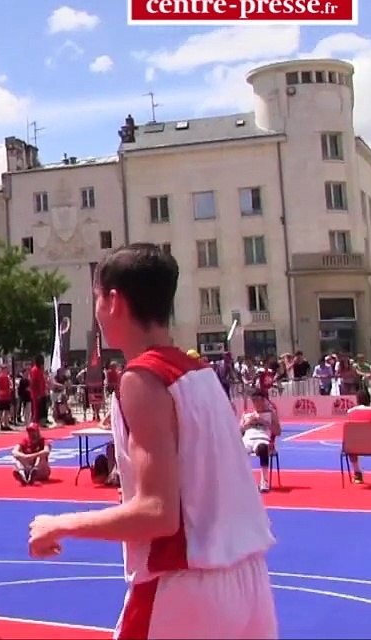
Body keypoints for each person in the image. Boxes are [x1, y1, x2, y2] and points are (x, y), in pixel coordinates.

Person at [27, 243, 276, 639]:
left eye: (96, 299)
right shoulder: (201, 374)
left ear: (113, 300)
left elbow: (158, 513)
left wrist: (59, 524)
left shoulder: (142, 379)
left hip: (186, 585)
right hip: (249, 582)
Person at [240, 391, 280, 493]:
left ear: (263, 400)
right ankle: (240, 481)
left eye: (258, 400)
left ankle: (264, 481)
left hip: (262, 439)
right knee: (237, 450)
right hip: (247, 440)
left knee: (262, 448)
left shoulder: (271, 414)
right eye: (254, 401)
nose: (256, 403)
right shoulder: (247, 414)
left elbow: (278, 432)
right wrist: (248, 423)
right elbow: (238, 431)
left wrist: (264, 422)